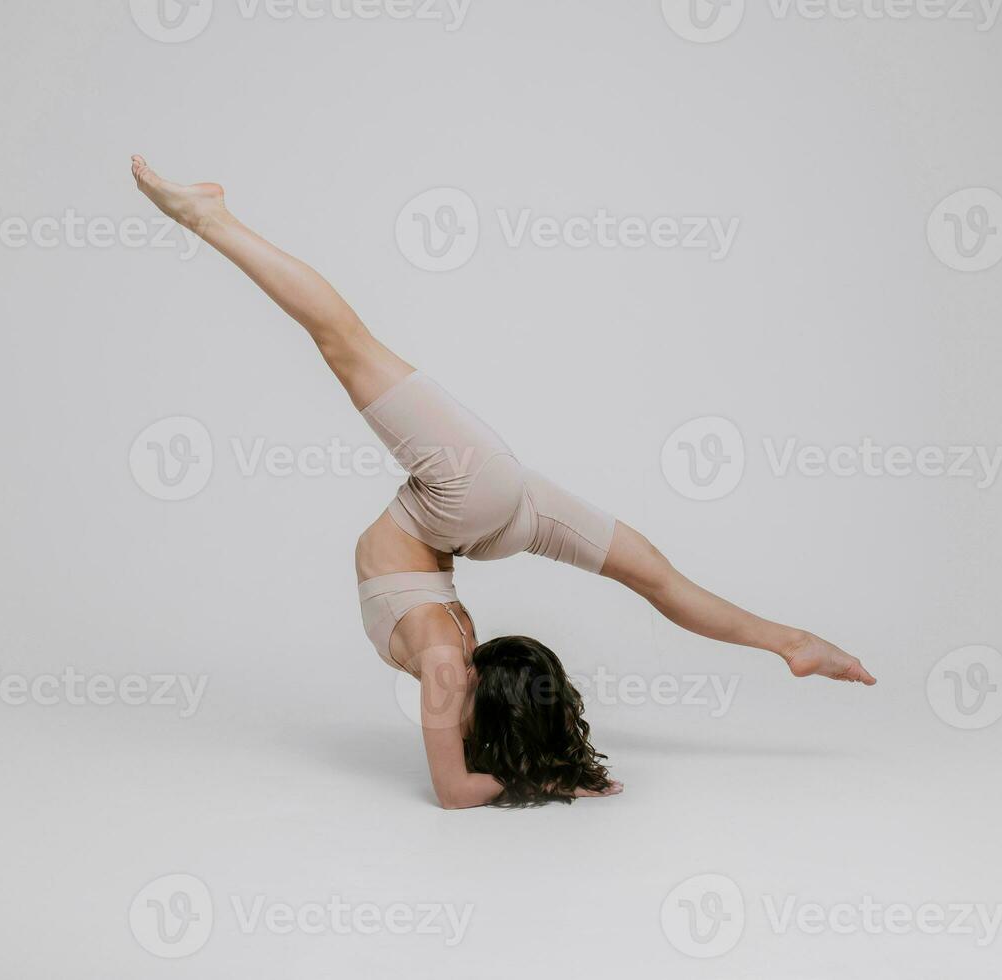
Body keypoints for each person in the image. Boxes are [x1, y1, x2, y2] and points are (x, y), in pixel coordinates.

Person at [130, 156, 876, 809]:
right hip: (469, 513)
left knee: (346, 344)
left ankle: (208, 217)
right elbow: (464, 786)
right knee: (657, 578)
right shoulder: (453, 673)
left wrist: (549, 775)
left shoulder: (450, 671)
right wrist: (551, 774)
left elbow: (455, 795)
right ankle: (792, 642)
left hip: (472, 511)